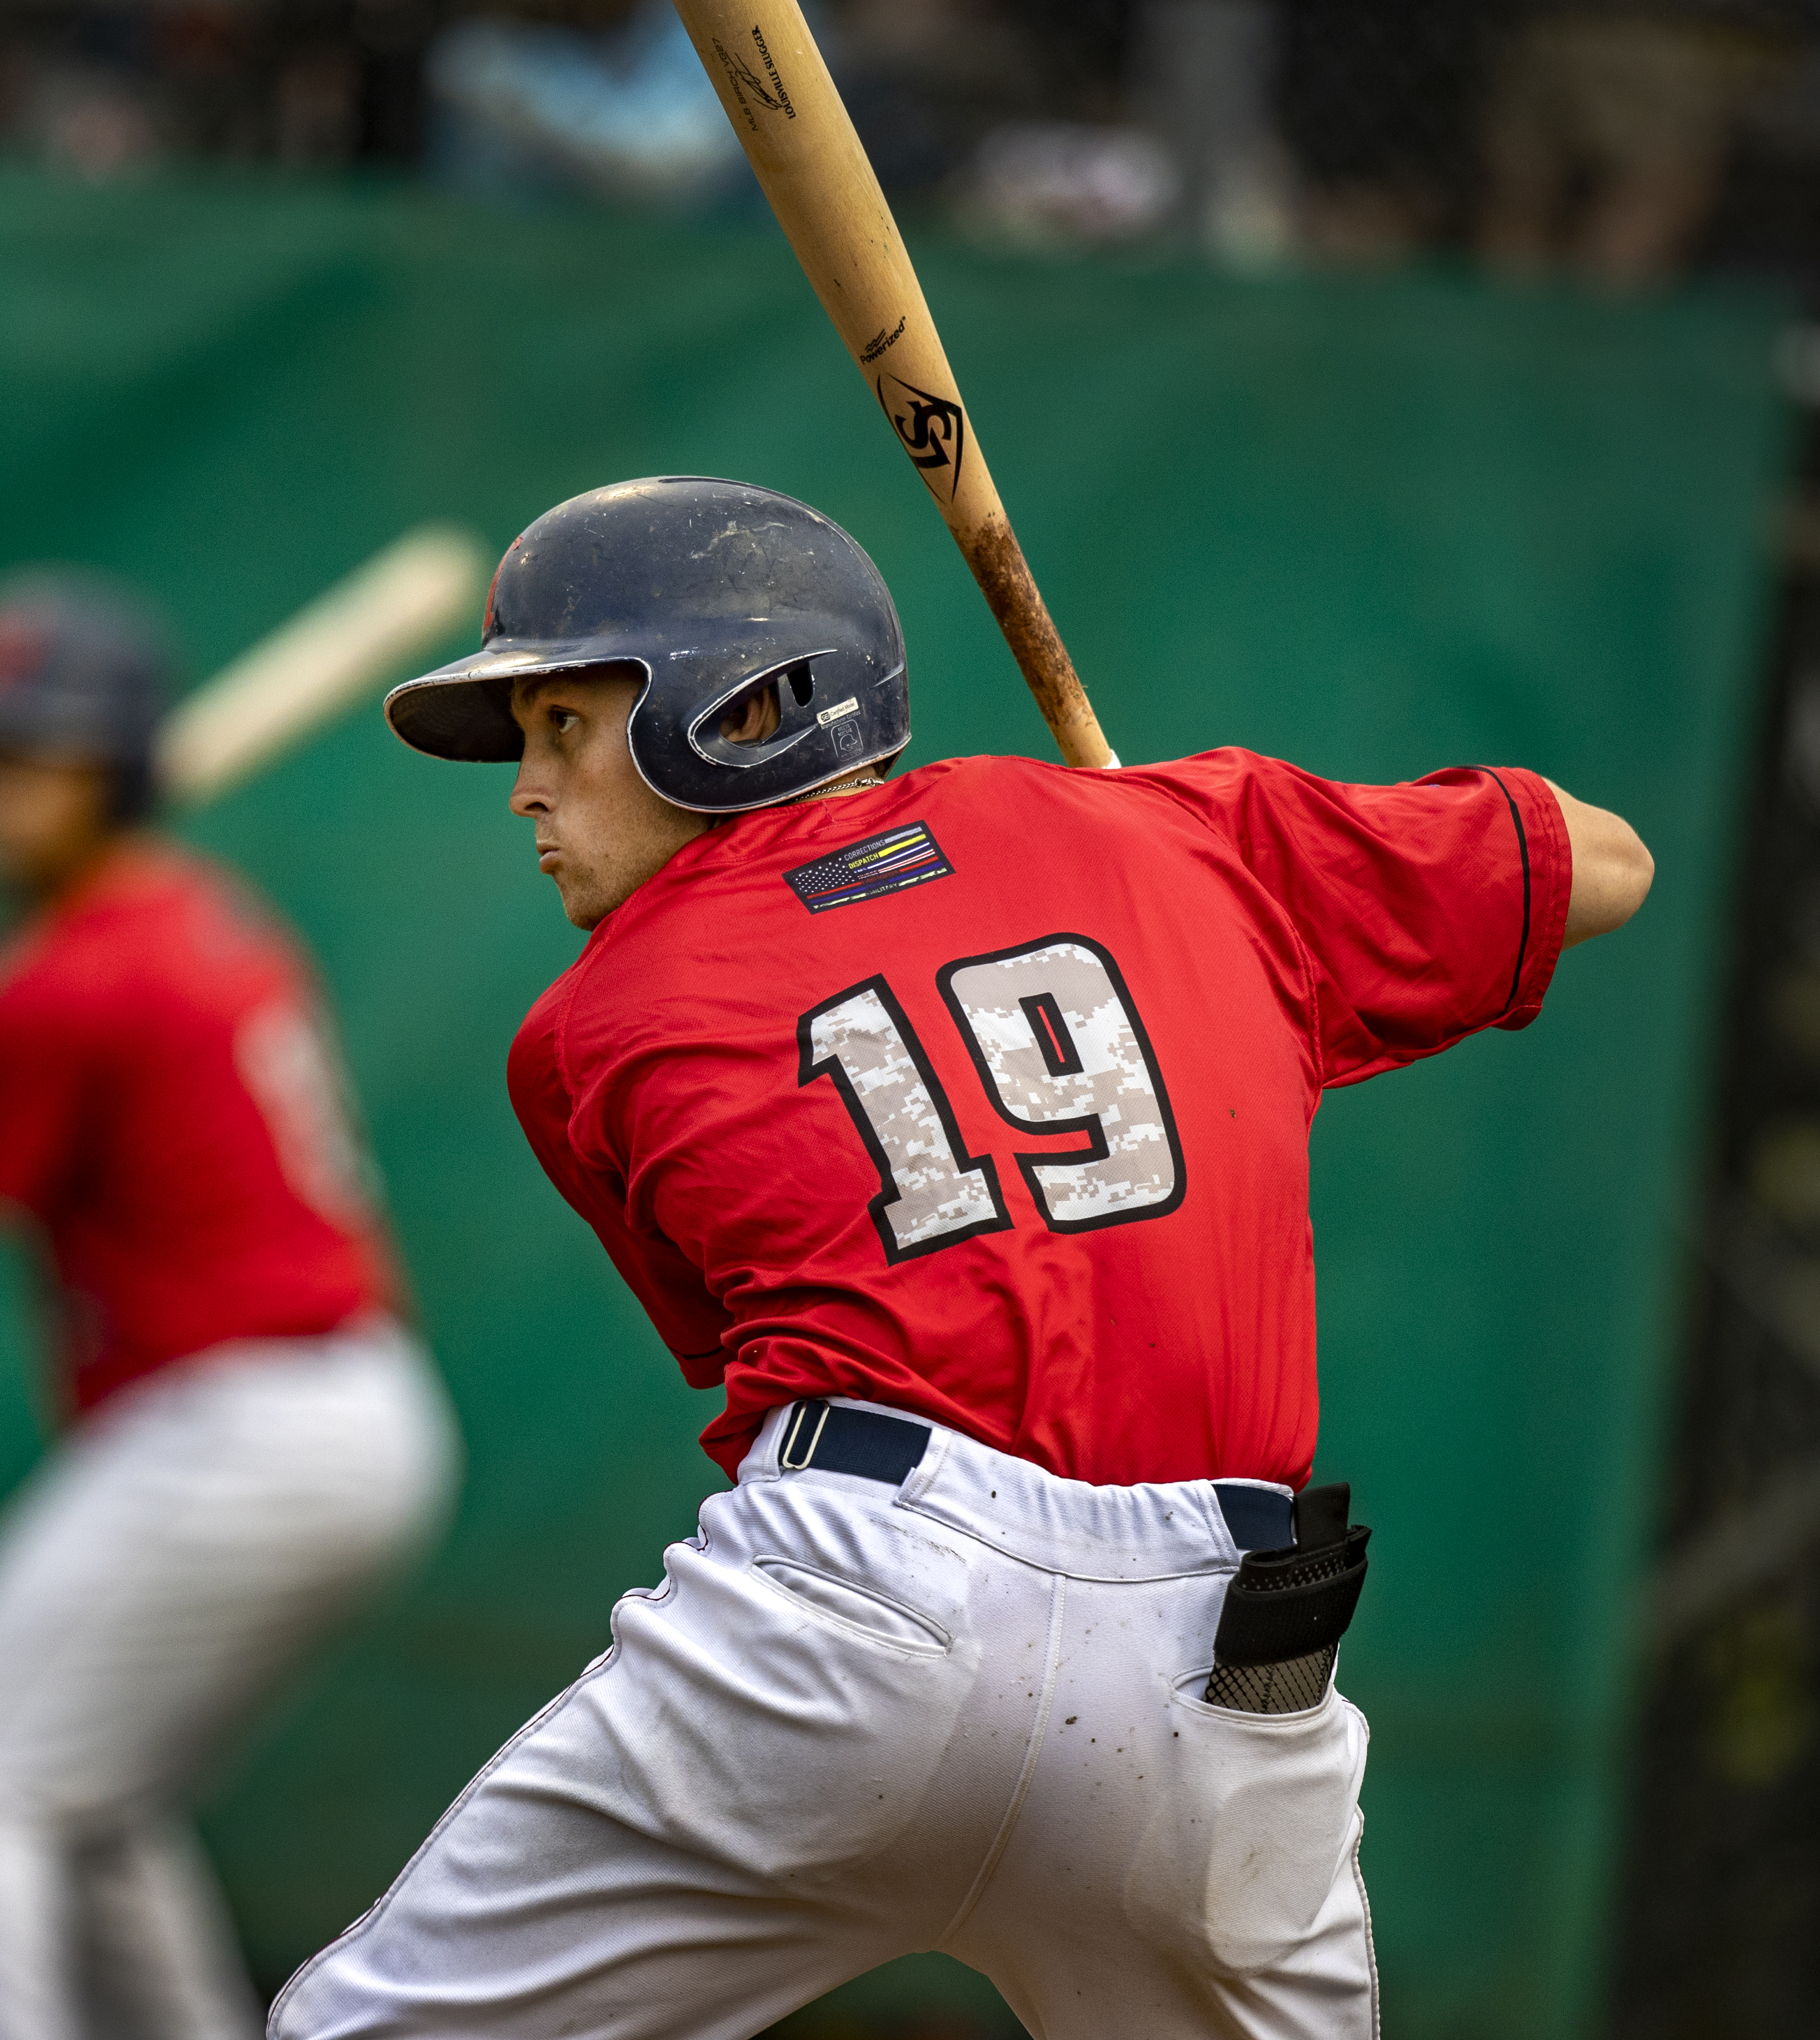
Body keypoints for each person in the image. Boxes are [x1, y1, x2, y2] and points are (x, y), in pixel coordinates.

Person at [269, 476, 1652, 2039]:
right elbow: (1607, 867)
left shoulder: (586, 1035)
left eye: (564, 727)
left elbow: (767, 1340)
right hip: (1224, 1652)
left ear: (741, 709)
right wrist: (1214, 860)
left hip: (856, 1607)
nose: (524, 790)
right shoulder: (1191, 836)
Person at [0, 570, 459, 2040]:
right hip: (345, 1418)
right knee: (83, 1801)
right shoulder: (187, 917)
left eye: (37, 751)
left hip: (240, 1430)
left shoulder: (64, 985)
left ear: (116, 763)